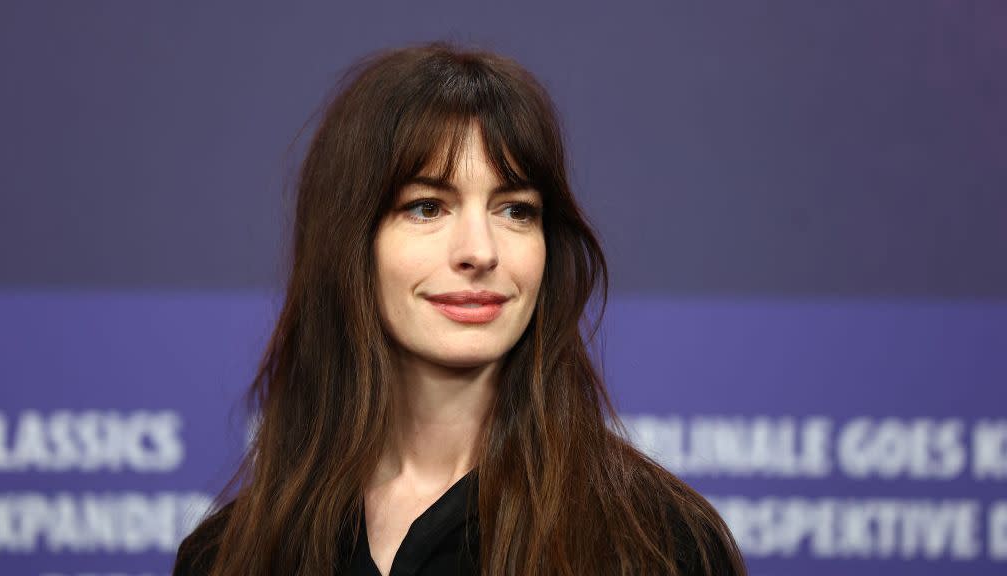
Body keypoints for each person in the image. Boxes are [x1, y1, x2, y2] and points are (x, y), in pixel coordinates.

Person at [173, 41, 746, 576]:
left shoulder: (658, 544)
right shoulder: (229, 556)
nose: (480, 251)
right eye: (427, 207)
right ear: (350, 245)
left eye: (516, 210)